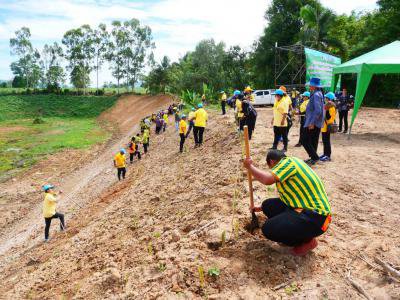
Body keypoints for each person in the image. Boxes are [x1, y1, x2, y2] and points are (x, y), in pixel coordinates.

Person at [243, 149, 332, 256]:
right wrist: (260, 208)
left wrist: (250, 167)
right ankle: (302, 234)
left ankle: (306, 242)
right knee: (267, 205)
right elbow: (288, 198)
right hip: (307, 211)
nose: (273, 170)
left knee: (268, 229)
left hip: (317, 217)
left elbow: (267, 180)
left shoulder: (288, 162)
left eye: (271, 168)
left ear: (271, 162)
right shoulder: (293, 164)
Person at [303, 77, 324, 165]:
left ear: (314, 86)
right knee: (313, 140)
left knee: (304, 140)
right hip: (315, 121)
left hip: (313, 122)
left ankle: (314, 157)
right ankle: (313, 158)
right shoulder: (317, 93)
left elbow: (318, 110)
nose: (309, 86)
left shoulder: (316, 95)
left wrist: (312, 122)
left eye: (310, 85)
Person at [320, 92, 336, 162]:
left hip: (327, 126)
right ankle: (325, 154)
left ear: (329, 99)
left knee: (326, 141)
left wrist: (325, 109)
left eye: (326, 98)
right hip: (324, 126)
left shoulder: (331, 107)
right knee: (324, 141)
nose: (325, 99)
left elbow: (328, 117)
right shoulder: (329, 106)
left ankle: (328, 155)